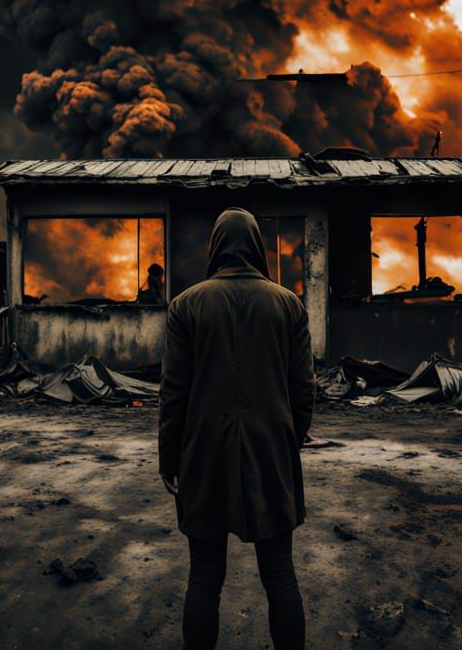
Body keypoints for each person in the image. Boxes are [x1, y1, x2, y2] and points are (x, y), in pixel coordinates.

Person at [159, 208, 315, 650]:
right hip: (271, 451)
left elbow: (173, 394)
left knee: (204, 578)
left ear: (215, 247)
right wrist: (289, 442)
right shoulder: (289, 305)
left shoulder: (186, 305)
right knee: (280, 575)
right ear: (255, 247)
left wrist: (169, 460)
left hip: (203, 453)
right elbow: (304, 390)